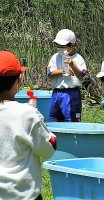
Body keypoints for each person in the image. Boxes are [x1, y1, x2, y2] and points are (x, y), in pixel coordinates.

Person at [0, 51, 56, 200]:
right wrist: (36, 117)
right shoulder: (26, 114)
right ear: (19, 80)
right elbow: (48, 150)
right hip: (24, 195)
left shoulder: (25, 113)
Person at [47, 29, 87, 122]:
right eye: (58, 46)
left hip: (72, 93)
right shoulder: (55, 57)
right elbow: (50, 74)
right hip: (57, 93)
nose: (60, 48)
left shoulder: (78, 58)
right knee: (54, 119)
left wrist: (72, 65)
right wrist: (62, 71)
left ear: (72, 45)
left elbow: (81, 75)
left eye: (63, 46)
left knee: (71, 120)